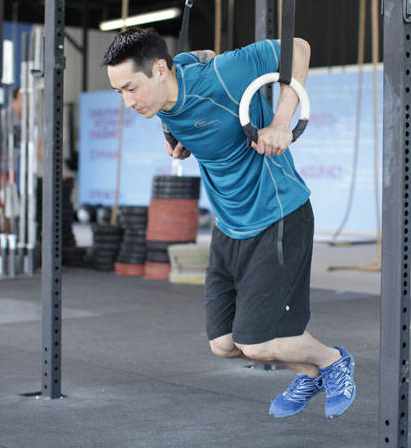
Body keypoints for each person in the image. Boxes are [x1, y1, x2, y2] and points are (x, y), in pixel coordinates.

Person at [102, 27, 356, 419]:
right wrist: (179, 138)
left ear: (159, 70)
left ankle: (333, 360)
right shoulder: (165, 96)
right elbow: (194, 57)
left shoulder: (222, 74)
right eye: (120, 92)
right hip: (229, 224)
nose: (127, 101)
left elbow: (299, 49)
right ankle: (309, 372)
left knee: (256, 345)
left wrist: (281, 123)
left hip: (277, 213)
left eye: (131, 88)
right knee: (223, 344)